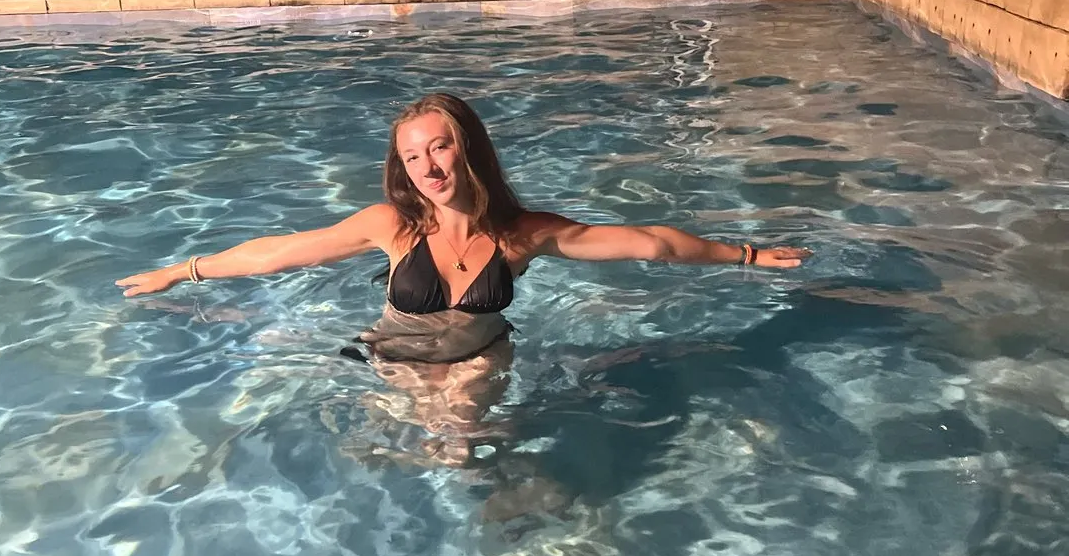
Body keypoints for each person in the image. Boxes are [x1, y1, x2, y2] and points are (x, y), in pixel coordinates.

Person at [116, 92, 812, 367]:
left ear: (467, 147)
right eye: (411, 156)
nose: (426, 167)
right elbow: (280, 253)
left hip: (481, 357)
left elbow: (650, 243)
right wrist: (183, 271)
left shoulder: (522, 237)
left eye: (439, 147)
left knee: (456, 444)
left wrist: (746, 254)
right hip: (392, 352)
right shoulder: (392, 227)